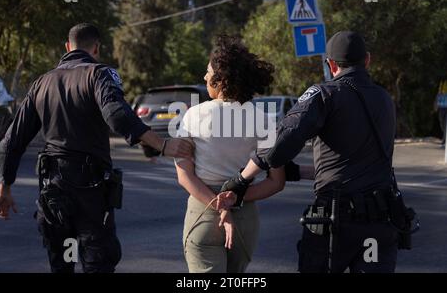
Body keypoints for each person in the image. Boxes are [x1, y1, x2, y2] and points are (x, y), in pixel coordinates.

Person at [0, 23, 193, 273]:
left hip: (52, 190)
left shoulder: (41, 83)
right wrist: (163, 145)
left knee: (61, 264)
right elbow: (117, 115)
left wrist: (5, 187)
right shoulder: (99, 74)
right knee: (98, 262)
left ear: (67, 47)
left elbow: (10, 142)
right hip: (89, 188)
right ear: (96, 48)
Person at [219, 31, 399, 273]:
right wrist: (296, 172)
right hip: (381, 218)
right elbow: (349, 160)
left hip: (337, 221)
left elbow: (276, 147)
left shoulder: (324, 94)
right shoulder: (384, 98)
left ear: (331, 64)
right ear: (367, 60)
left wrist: (241, 179)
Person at [174, 35, 313, 273]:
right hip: (245, 219)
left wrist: (219, 207)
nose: (205, 77)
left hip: (203, 213)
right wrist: (233, 201)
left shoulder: (193, 115)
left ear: (221, 79)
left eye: (208, 72)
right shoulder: (264, 120)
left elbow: (184, 176)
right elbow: (276, 182)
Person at [435, 79, 447, 146]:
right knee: (442, 123)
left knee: (445, 124)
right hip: (441, 106)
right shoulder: (441, 81)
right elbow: (438, 93)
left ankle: (444, 140)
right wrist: (436, 103)